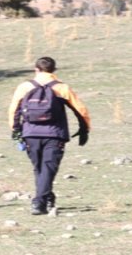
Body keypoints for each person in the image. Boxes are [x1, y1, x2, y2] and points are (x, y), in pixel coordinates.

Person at [7, 57, 91, 216]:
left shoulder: (24, 87)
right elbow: (81, 110)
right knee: (47, 168)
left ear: (36, 69)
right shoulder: (62, 88)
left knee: (40, 168)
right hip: (55, 134)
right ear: (54, 70)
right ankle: (40, 201)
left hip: (30, 134)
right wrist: (84, 128)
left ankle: (46, 197)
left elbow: (14, 109)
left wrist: (16, 130)